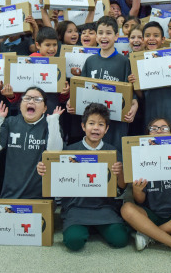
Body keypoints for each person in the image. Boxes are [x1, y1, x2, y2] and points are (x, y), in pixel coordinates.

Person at [36, 103, 129, 251]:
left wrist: (120, 172)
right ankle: (87, 228)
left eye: (100, 124)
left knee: (121, 240)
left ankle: (97, 227)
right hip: (76, 208)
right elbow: (56, 177)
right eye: (91, 123)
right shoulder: (69, 150)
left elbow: (121, 188)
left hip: (104, 208)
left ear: (106, 129)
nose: (96, 128)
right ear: (83, 126)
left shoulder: (112, 152)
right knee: (74, 242)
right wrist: (43, 169)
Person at [120, 117, 171, 259]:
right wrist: (137, 190)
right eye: (154, 128)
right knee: (126, 208)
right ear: (147, 135)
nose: (159, 131)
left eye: (164, 128)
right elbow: (139, 201)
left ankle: (150, 234)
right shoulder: (141, 159)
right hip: (150, 215)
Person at [69, 16, 138, 148]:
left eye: (108, 33)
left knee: (115, 157)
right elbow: (81, 90)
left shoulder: (125, 62)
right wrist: (71, 102)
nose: (104, 37)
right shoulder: (90, 61)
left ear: (116, 36)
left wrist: (134, 107)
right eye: (100, 33)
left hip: (116, 121)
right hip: (94, 122)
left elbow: (131, 94)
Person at [0, 87, 64, 199]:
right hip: (10, 196)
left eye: (37, 99)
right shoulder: (10, 122)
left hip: (40, 198)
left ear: (44, 108)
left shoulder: (51, 125)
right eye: (27, 98)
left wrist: (53, 122)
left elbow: (54, 152)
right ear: (20, 105)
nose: (31, 101)